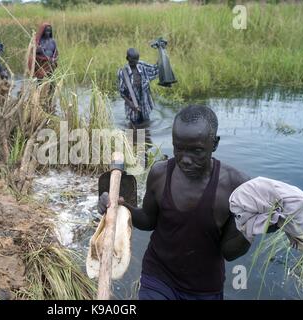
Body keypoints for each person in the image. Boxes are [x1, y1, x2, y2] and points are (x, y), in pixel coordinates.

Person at [98, 105, 252, 300]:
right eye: (179, 148)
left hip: (204, 288)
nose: (186, 159)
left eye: (197, 151)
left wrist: (254, 226)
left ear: (214, 144)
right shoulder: (160, 174)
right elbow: (147, 220)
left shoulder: (236, 186)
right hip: (158, 277)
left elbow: (229, 252)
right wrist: (118, 206)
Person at [117, 48, 158, 126]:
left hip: (144, 104)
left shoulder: (142, 66)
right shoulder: (123, 72)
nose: (136, 62)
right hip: (132, 106)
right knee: (133, 129)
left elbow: (154, 69)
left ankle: (144, 137)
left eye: (137, 60)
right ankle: (134, 137)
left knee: (145, 129)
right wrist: (130, 104)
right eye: (133, 60)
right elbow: (122, 93)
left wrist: (160, 59)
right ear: (127, 58)